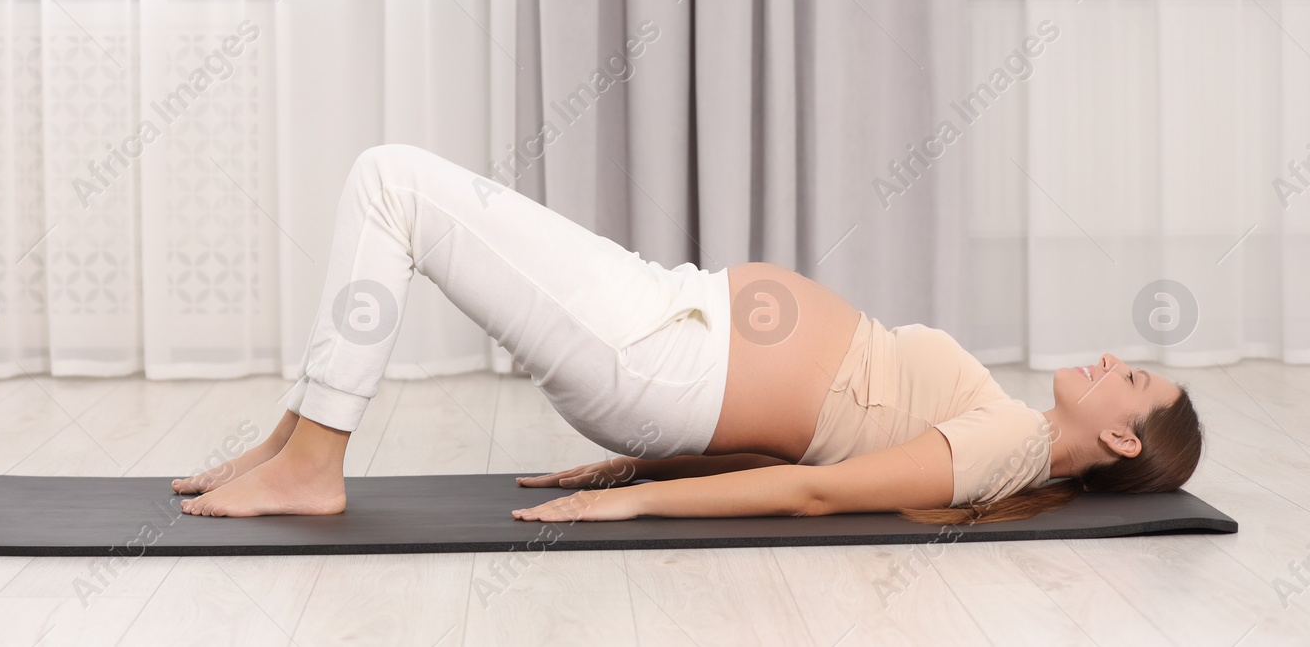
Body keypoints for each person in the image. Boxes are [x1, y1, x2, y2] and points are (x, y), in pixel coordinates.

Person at [174, 144, 1202, 522]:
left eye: (1134, 377)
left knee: (391, 180)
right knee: (392, 183)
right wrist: (633, 463)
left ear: (1122, 437)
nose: (1114, 359)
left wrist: (650, 500)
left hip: (661, 355)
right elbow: (811, 439)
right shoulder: (1003, 424)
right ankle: (291, 440)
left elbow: (815, 489)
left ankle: (313, 461)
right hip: (667, 323)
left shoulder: (1004, 448)